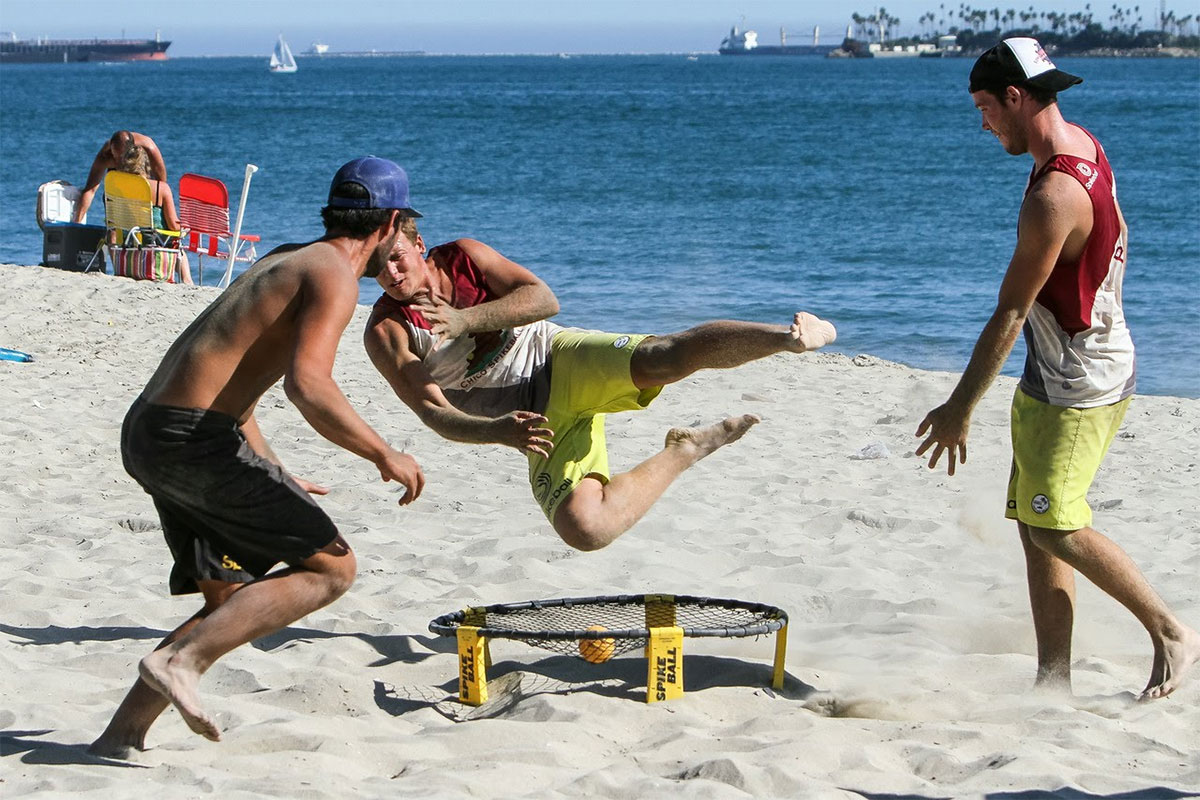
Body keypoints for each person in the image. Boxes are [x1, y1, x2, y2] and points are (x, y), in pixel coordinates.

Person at [89, 157, 426, 757]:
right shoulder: (334, 276)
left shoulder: (285, 258)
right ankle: (179, 661)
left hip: (151, 430)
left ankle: (122, 734)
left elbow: (236, 384)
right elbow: (308, 384)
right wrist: (383, 452)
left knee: (231, 598)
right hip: (190, 439)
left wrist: (268, 467)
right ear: (392, 222)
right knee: (332, 569)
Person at [914, 38, 1198, 701]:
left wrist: (959, 408)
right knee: (1034, 525)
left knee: (1053, 523)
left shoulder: (1053, 194)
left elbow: (1010, 312)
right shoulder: (1083, 147)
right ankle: (1053, 683)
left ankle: (1172, 632)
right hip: (1062, 368)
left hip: (1081, 379)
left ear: (1016, 98)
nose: (982, 122)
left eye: (985, 107)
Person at [364, 215, 837, 552]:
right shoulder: (386, 330)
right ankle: (684, 450)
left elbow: (544, 299)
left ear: (419, 243)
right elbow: (433, 413)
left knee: (665, 355)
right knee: (585, 530)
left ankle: (788, 339)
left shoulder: (464, 256)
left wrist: (466, 318)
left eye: (398, 258)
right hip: (533, 420)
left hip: (557, 357)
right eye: (378, 266)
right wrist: (498, 431)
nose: (392, 273)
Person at [117, 144, 193, 285]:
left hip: (129, 242)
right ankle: (188, 282)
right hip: (155, 242)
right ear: (147, 166)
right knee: (177, 244)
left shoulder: (119, 188)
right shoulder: (160, 188)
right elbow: (173, 225)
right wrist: (187, 226)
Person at [73, 130, 167, 224]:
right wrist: (76, 223)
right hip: (116, 181)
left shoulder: (149, 147)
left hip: (141, 175)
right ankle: (113, 233)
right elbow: (90, 189)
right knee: (110, 198)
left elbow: (162, 185)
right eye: (115, 157)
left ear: (131, 150)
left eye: (121, 157)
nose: (118, 162)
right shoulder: (106, 155)